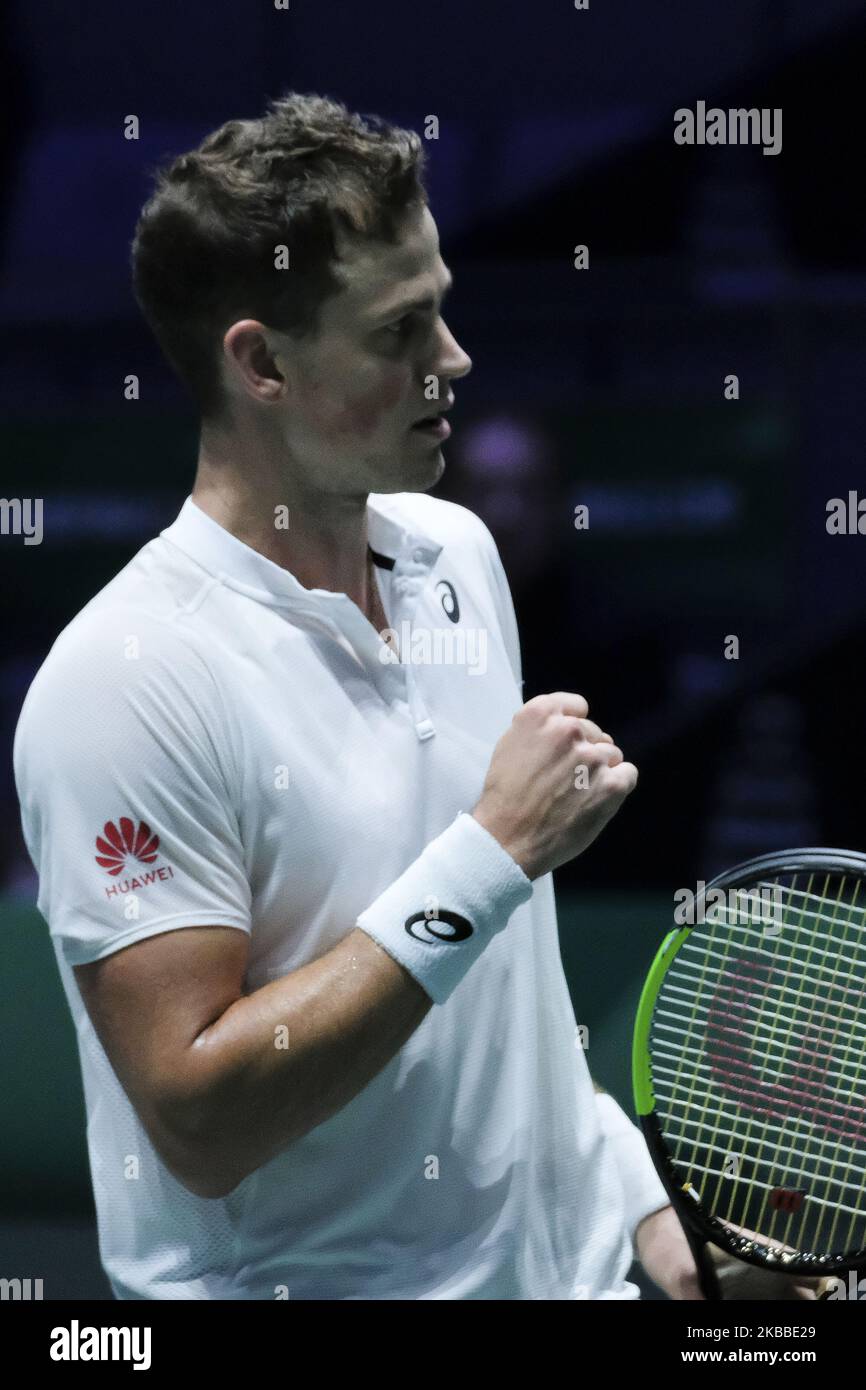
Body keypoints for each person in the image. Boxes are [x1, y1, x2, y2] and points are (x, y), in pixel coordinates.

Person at [14, 92, 717, 1301]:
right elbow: (203, 1119)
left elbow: (507, 1006)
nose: (451, 360)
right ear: (261, 362)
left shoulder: (456, 557)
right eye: (401, 330)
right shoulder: (124, 682)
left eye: (439, 306)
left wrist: (648, 1218)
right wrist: (489, 855)